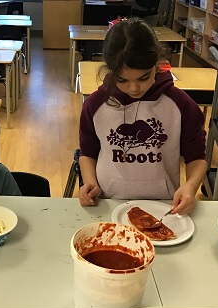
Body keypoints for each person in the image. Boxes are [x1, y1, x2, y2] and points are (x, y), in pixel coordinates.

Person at [78, 17, 207, 215]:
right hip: (108, 203)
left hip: (165, 206)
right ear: (110, 70)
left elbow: (196, 156)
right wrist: (89, 182)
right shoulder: (95, 105)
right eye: (122, 80)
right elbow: (87, 152)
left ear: (157, 63)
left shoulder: (180, 105)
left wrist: (190, 187)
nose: (134, 87)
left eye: (144, 77)